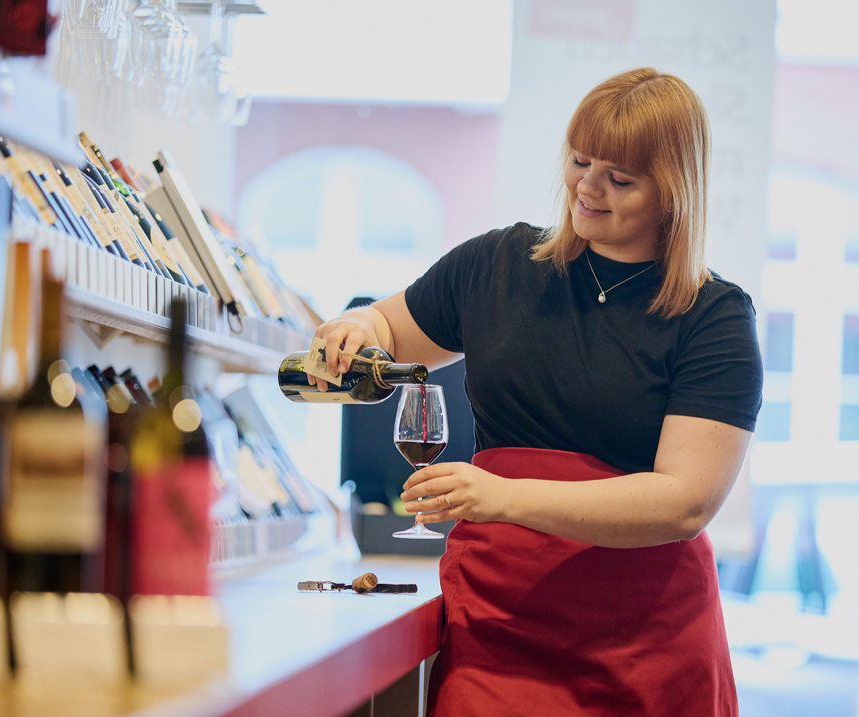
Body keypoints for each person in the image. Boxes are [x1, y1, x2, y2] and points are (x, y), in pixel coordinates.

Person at [308, 67, 763, 716]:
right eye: (580, 160)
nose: (587, 186)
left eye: (620, 178)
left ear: (673, 191)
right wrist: (358, 325)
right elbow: (389, 326)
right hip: (500, 623)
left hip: (644, 644)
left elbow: (683, 501)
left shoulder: (712, 316)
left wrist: (500, 494)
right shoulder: (496, 265)